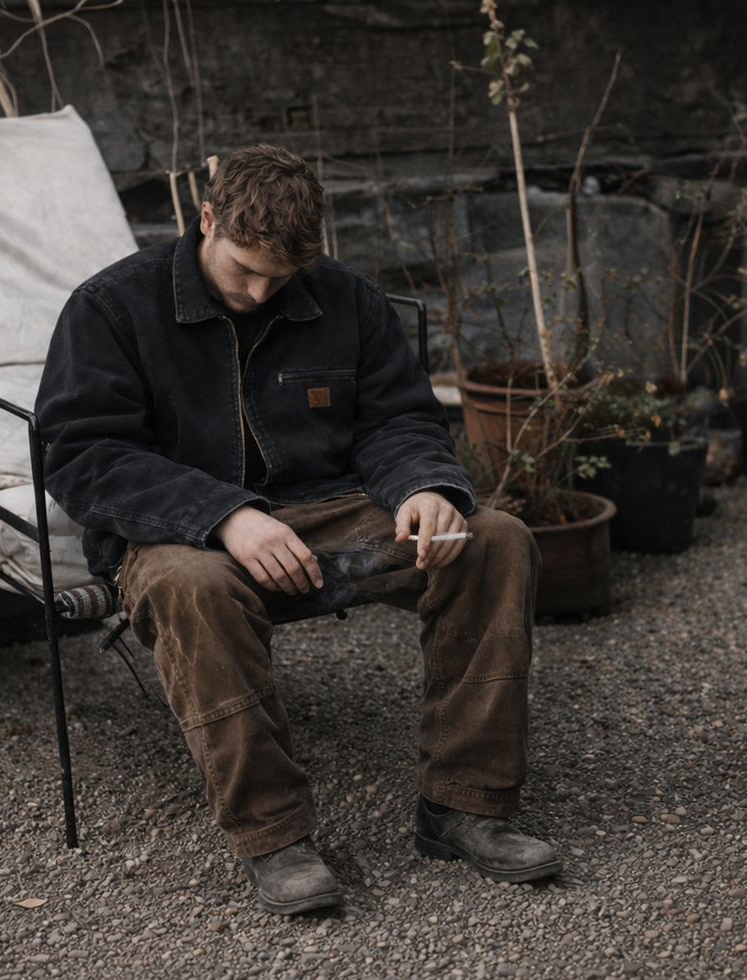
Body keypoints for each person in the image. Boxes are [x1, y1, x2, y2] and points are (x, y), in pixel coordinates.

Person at [35, 143, 560, 914]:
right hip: (178, 536)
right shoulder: (111, 308)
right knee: (193, 585)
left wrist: (425, 486)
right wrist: (224, 515)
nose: (258, 291)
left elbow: (398, 419)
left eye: (278, 278)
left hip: (330, 511)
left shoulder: (343, 298)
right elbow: (82, 456)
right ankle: (274, 835)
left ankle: (464, 804)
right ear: (205, 219)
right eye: (244, 268)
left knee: (493, 539)